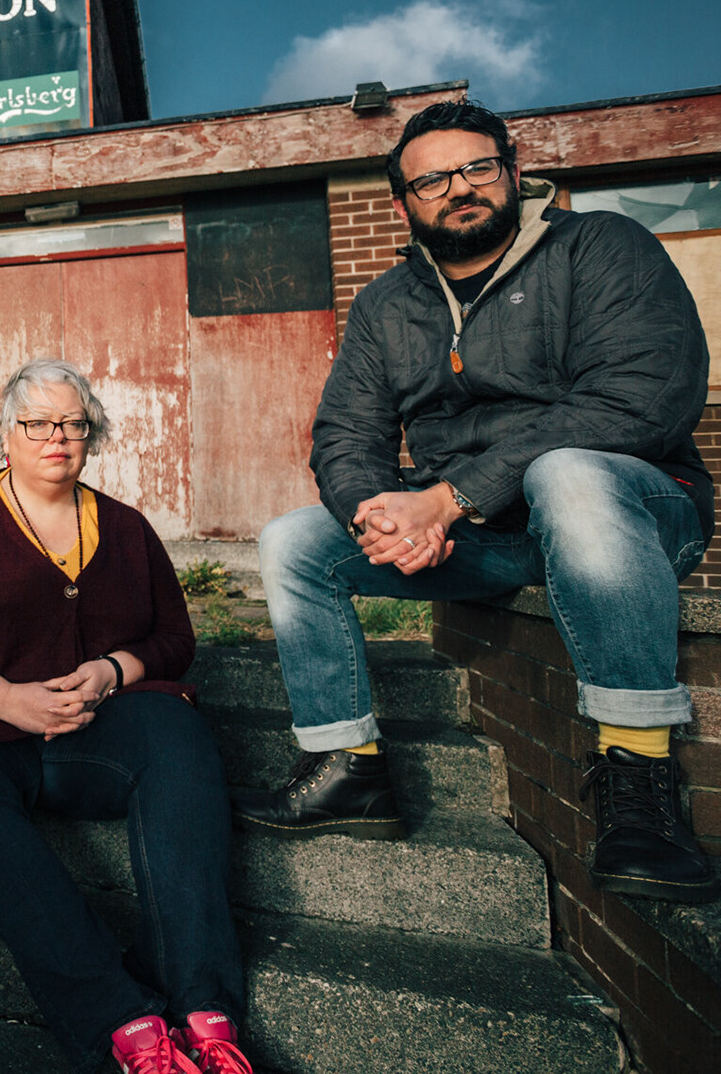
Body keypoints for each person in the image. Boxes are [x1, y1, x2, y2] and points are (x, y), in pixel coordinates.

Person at [237, 100, 720, 904]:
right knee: (294, 541)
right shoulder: (386, 305)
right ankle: (347, 767)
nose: (458, 189)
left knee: (568, 472)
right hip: (487, 540)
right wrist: (380, 515)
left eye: (476, 168)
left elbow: (642, 402)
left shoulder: (601, 247)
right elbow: (345, 437)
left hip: (629, 515)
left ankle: (640, 777)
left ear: (513, 171)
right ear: (403, 204)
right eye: (431, 179)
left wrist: (450, 498)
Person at [0, 359, 254, 1074]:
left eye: (74, 423)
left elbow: (176, 639)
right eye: (39, 423)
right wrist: (3, 695)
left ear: (92, 434)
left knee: (178, 737)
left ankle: (206, 1011)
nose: (58, 437)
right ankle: (126, 1023)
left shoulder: (127, 528)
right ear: (8, 434)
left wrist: (114, 670)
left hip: (90, 733)